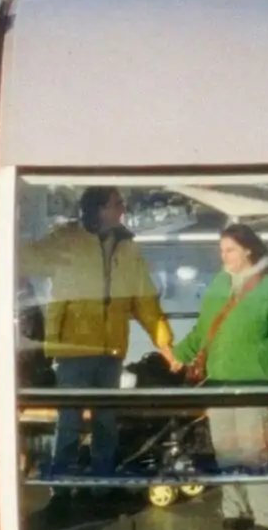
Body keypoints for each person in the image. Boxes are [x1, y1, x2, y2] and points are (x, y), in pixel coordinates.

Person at [18, 187, 176, 490]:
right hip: (73, 347)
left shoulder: (128, 248)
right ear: (100, 209)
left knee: (106, 419)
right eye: (118, 204)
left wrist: (165, 345)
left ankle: (101, 482)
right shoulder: (66, 240)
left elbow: (145, 301)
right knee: (70, 420)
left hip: (111, 348)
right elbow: (28, 260)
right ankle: (62, 483)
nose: (123, 209)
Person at [183, 221, 268, 530]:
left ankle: (266, 519)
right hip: (218, 380)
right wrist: (178, 354)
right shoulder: (219, 284)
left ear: (248, 249)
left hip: (255, 383)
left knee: (255, 452)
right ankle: (235, 510)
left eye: (230, 250)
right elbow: (203, 329)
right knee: (226, 450)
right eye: (221, 250)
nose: (224, 256)